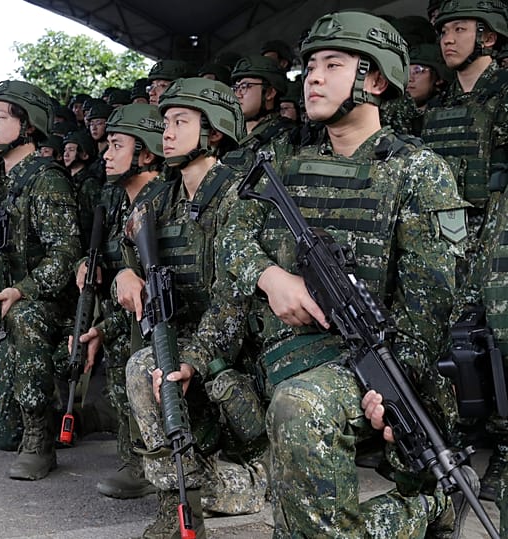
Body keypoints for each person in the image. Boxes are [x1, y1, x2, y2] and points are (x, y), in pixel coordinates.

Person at [227, 11, 472, 537]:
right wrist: (271, 277)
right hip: (290, 350)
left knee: (301, 408)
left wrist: (386, 386)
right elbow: (231, 236)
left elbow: (427, 313)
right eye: (310, 65)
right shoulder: (284, 163)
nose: (312, 76)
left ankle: (427, 508)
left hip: (377, 360)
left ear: (376, 79)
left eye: (332, 64)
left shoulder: (417, 172)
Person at [115, 77, 253, 537]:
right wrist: (125, 272)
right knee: (142, 367)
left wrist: (191, 359)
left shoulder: (239, 195)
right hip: (187, 337)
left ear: (212, 131)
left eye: (180, 122)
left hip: (237, 347)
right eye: (164, 123)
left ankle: (241, 478)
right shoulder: (160, 196)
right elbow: (128, 244)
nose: (167, 133)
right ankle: (177, 500)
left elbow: (237, 298)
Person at [421, 0, 508, 502]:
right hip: (449, 236)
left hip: (498, 233)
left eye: (460, 29)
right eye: (444, 31)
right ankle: (453, 446)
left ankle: (504, 451)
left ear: (489, 36)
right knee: (451, 341)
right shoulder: (436, 107)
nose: (448, 39)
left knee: (499, 339)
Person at [0, 80, 80, 480]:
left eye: (1, 117)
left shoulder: (46, 179)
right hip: (2, 302)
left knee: (25, 316)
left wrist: (23, 290)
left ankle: (40, 439)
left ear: (29, 125)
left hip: (45, 304)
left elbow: (65, 254)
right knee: (0, 433)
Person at [72, 103, 166, 500]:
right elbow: (115, 263)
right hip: (126, 317)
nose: (106, 154)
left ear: (146, 153)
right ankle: (135, 459)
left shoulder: (161, 201)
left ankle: (152, 461)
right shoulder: (117, 201)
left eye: (116, 145)